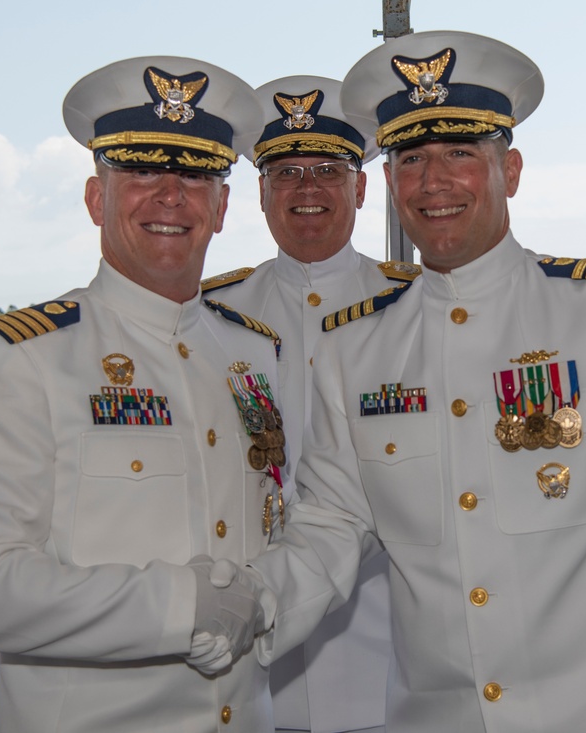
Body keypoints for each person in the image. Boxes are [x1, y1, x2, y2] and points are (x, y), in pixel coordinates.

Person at [214, 31, 586, 732]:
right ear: (387, 182)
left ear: (513, 169)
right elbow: (328, 528)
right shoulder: (358, 348)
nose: (433, 181)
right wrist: (248, 605)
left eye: (460, 154)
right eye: (411, 158)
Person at [0, 56, 284, 732]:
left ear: (224, 205)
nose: (171, 195)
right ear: (97, 198)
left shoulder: (254, 354)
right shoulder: (21, 358)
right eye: (143, 170)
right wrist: (181, 605)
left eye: (197, 174)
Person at [203, 76, 417, 733]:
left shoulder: (425, 309)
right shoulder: (206, 315)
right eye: (286, 171)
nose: (307, 189)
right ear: (260, 194)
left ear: (359, 187)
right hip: (245, 656)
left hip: (398, 648)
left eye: (328, 169)